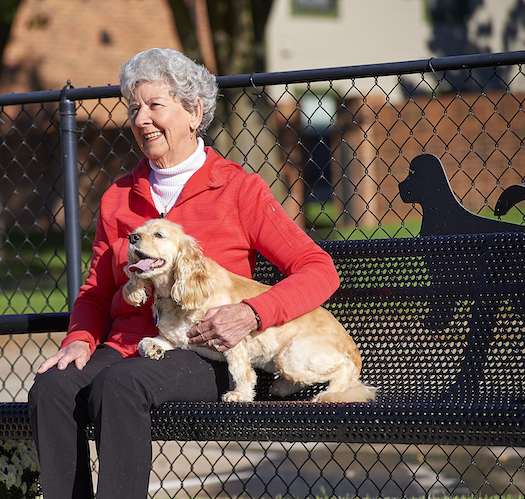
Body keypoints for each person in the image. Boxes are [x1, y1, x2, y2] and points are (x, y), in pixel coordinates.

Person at [28, 47, 340, 499]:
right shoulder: (118, 197)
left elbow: (318, 269)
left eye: (156, 105)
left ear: (194, 112)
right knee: (52, 388)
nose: (141, 119)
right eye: (134, 108)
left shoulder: (238, 188)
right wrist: (78, 338)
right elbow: (97, 291)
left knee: (118, 387)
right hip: (130, 343)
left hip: (204, 350)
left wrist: (251, 313)